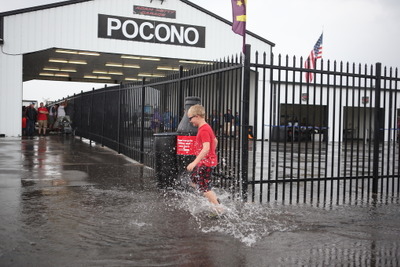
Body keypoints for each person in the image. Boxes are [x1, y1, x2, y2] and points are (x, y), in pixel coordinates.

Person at [186, 104, 222, 211]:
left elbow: (206, 148)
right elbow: (215, 141)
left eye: (190, 118)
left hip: (205, 163)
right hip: (205, 162)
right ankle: (213, 198)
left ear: (197, 116)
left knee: (204, 187)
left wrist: (194, 162)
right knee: (193, 180)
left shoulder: (204, 130)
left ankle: (218, 208)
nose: (190, 121)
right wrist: (212, 154)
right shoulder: (206, 127)